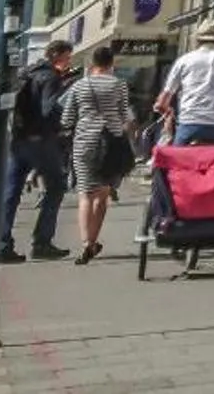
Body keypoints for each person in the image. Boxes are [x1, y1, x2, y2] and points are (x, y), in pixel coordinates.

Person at [0, 39, 74, 262]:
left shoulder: (26, 73)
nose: (69, 61)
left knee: (11, 192)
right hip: (39, 140)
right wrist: (62, 125)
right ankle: (42, 241)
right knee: (57, 186)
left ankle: (2, 244)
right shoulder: (50, 77)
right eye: (67, 57)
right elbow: (49, 109)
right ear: (57, 56)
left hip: (18, 139)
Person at [64, 45, 136, 265]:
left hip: (84, 142)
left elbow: (66, 119)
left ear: (91, 64)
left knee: (85, 194)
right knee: (102, 194)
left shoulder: (79, 85)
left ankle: (86, 243)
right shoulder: (119, 85)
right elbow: (126, 115)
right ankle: (94, 240)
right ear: (111, 63)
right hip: (111, 143)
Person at [154, 22, 214, 146]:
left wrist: (166, 111)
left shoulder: (184, 60)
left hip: (190, 123)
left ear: (197, 41)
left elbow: (162, 101)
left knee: (177, 160)